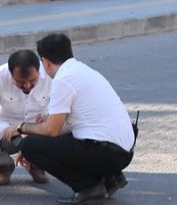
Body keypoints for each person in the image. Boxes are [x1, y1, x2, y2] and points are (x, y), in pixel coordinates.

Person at [18, 33, 135, 204]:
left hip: (107, 154)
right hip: (123, 152)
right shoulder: (83, 70)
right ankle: (111, 179)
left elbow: (52, 130)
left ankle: (88, 187)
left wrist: (22, 128)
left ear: (46, 61)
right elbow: (66, 127)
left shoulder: (63, 80)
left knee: (29, 146)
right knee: (55, 138)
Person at [0, 49, 52, 186]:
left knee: (61, 130)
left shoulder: (51, 76)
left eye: (32, 80)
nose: (27, 85)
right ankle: (5, 165)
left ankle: (35, 163)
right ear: (10, 73)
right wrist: (7, 130)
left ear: (39, 70)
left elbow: (61, 108)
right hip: (8, 135)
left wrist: (47, 117)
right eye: (20, 82)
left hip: (37, 133)